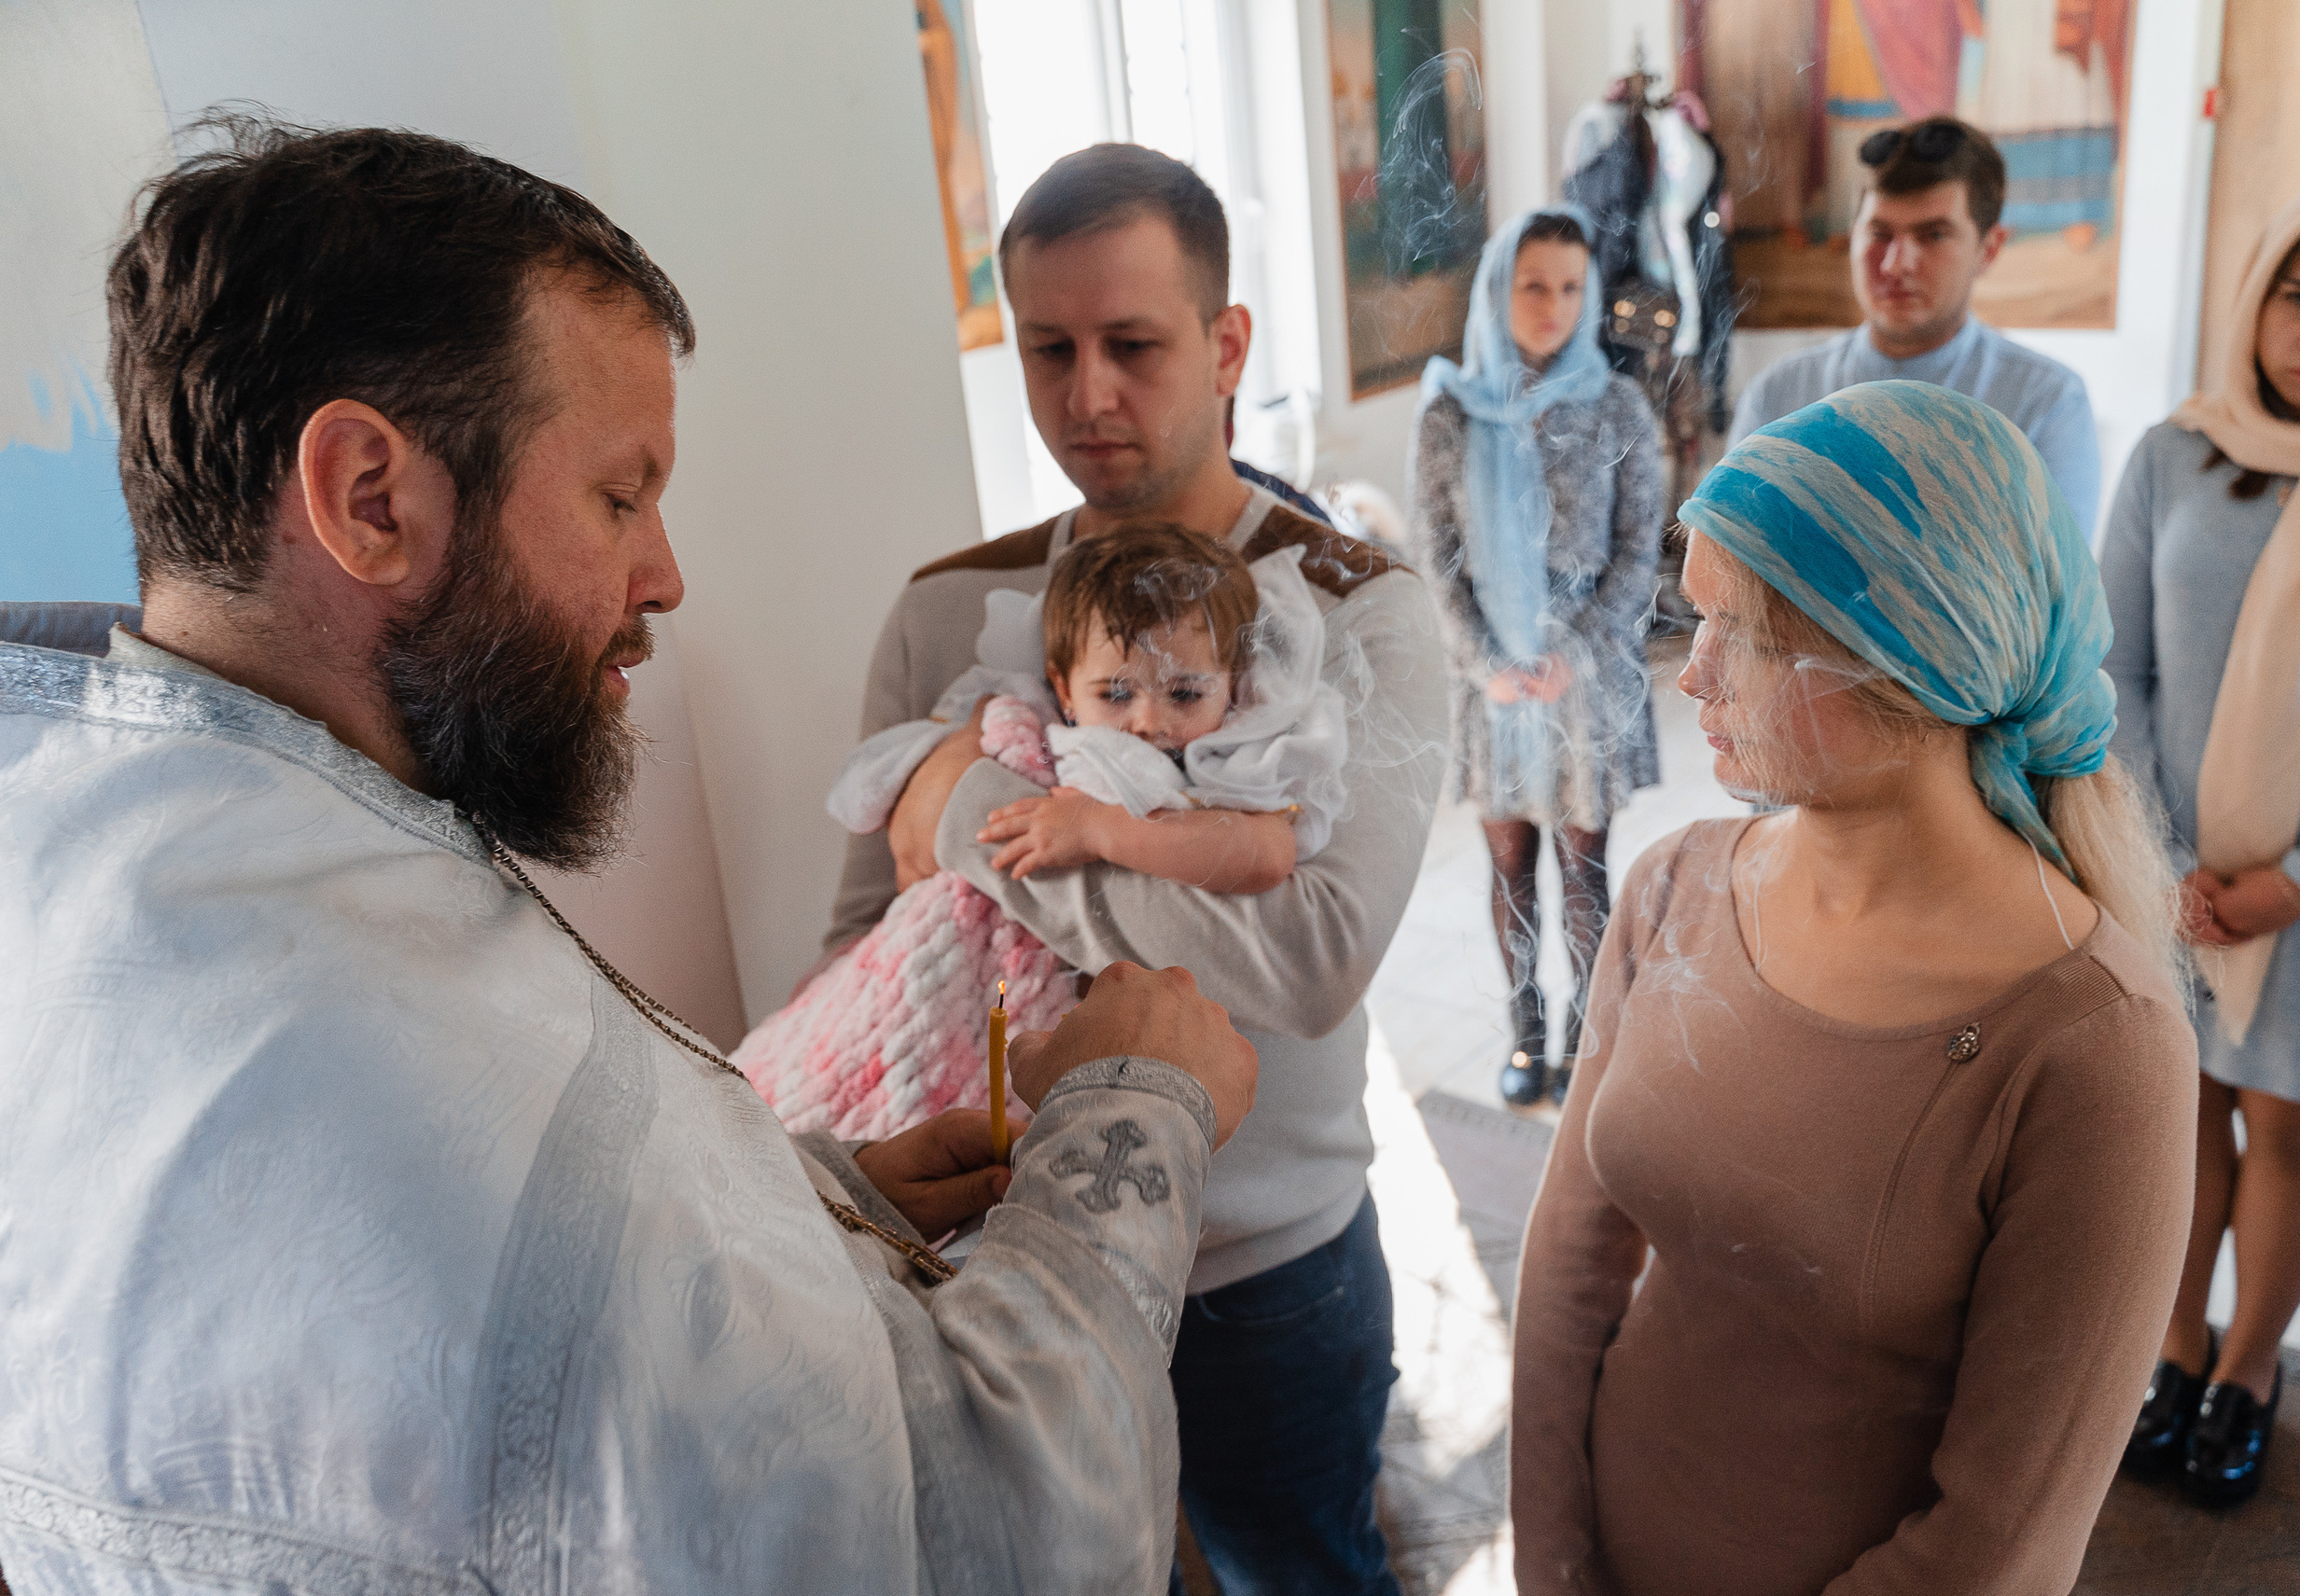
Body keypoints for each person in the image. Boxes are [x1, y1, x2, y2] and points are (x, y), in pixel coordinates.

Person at [0, 119, 1262, 1592]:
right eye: (619, 493)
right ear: (367, 495)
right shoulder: (418, 1093)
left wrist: (808, 1209)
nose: (664, 576)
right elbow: (1008, 1533)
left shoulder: (92, 851)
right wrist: (1135, 1103)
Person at [831, 144, 1447, 1593]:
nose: (1086, 394)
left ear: (1227, 344)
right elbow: (859, 934)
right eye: (1049, 348)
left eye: (1133, 344)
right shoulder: (946, 606)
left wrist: (971, 794)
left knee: (1302, 1568)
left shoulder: (1364, 615)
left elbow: (1311, 955)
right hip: (1015, 1252)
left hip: (1262, 1264)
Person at [1512, 382, 2198, 1594]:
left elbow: (1998, 1540)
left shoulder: (2096, 1046)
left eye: (1752, 636)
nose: (1693, 676)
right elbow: (1571, 1260)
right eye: (1695, 617)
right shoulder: (1676, 884)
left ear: (1913, 665)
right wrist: (1555, 1561)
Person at [2103, 176, 2300, 1507]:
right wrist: (2160, 862)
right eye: (2299, 293)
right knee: (2179, 1107)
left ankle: (2251, 1365)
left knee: (2287, 1122)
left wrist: (2298, 881)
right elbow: (2117, 665)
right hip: (2170, 873)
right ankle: (2172, 1341)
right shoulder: (2173, 450)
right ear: (2257, 299)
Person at [741, 522, 1347, 1140]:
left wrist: (1104, 830)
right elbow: (908, 839)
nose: (1148, 721)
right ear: (1063, 687)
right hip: (946, 970)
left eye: (1186, 692)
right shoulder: (1025, 722)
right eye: (1115, 692)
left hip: (1091, 1046)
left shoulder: (1229, 764)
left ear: (1233, 683)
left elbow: (1266, 853)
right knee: (809, 1101)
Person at [1411, 203, 1663, 1108]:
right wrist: (1484, 662)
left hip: (1583, 684)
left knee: (1584, 868)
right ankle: (1526, 1031)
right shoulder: (1447, 415)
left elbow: (1640, 554)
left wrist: (1578, 652)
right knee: (1509, 865)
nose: (1552, 305)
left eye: (1569, 286)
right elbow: (1435, 557)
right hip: (1491, 687)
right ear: (1497, 291)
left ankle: (1591, 1040)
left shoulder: (1618, 405)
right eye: (1532, 286)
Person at [1730, 117, 2101, 541]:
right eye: (1879, 234)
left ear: (1989, 249)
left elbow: (2053, 594)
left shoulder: (2045, 403)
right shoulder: (1779, 394)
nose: (1895, 265)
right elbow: (1730, 572)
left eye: (1933, 235)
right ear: (1853, 237)